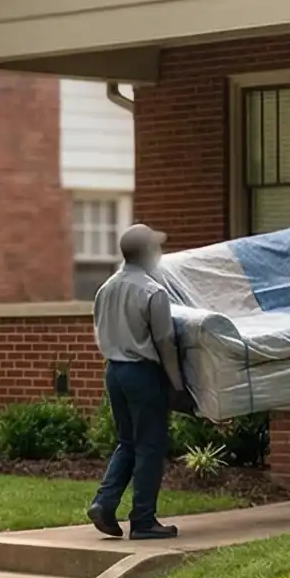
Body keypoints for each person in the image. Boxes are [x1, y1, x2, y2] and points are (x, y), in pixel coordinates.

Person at [88, 223, 188, 540]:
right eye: (156, 248)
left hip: (114, 371)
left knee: (128, 442)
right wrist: (177, 383)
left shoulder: (106, 288)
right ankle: (144, 520)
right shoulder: (152, 291)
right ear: (146, 253)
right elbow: (165, 341)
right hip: (143, 373)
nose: (159, 253)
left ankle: (104, 503)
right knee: (150, 446)